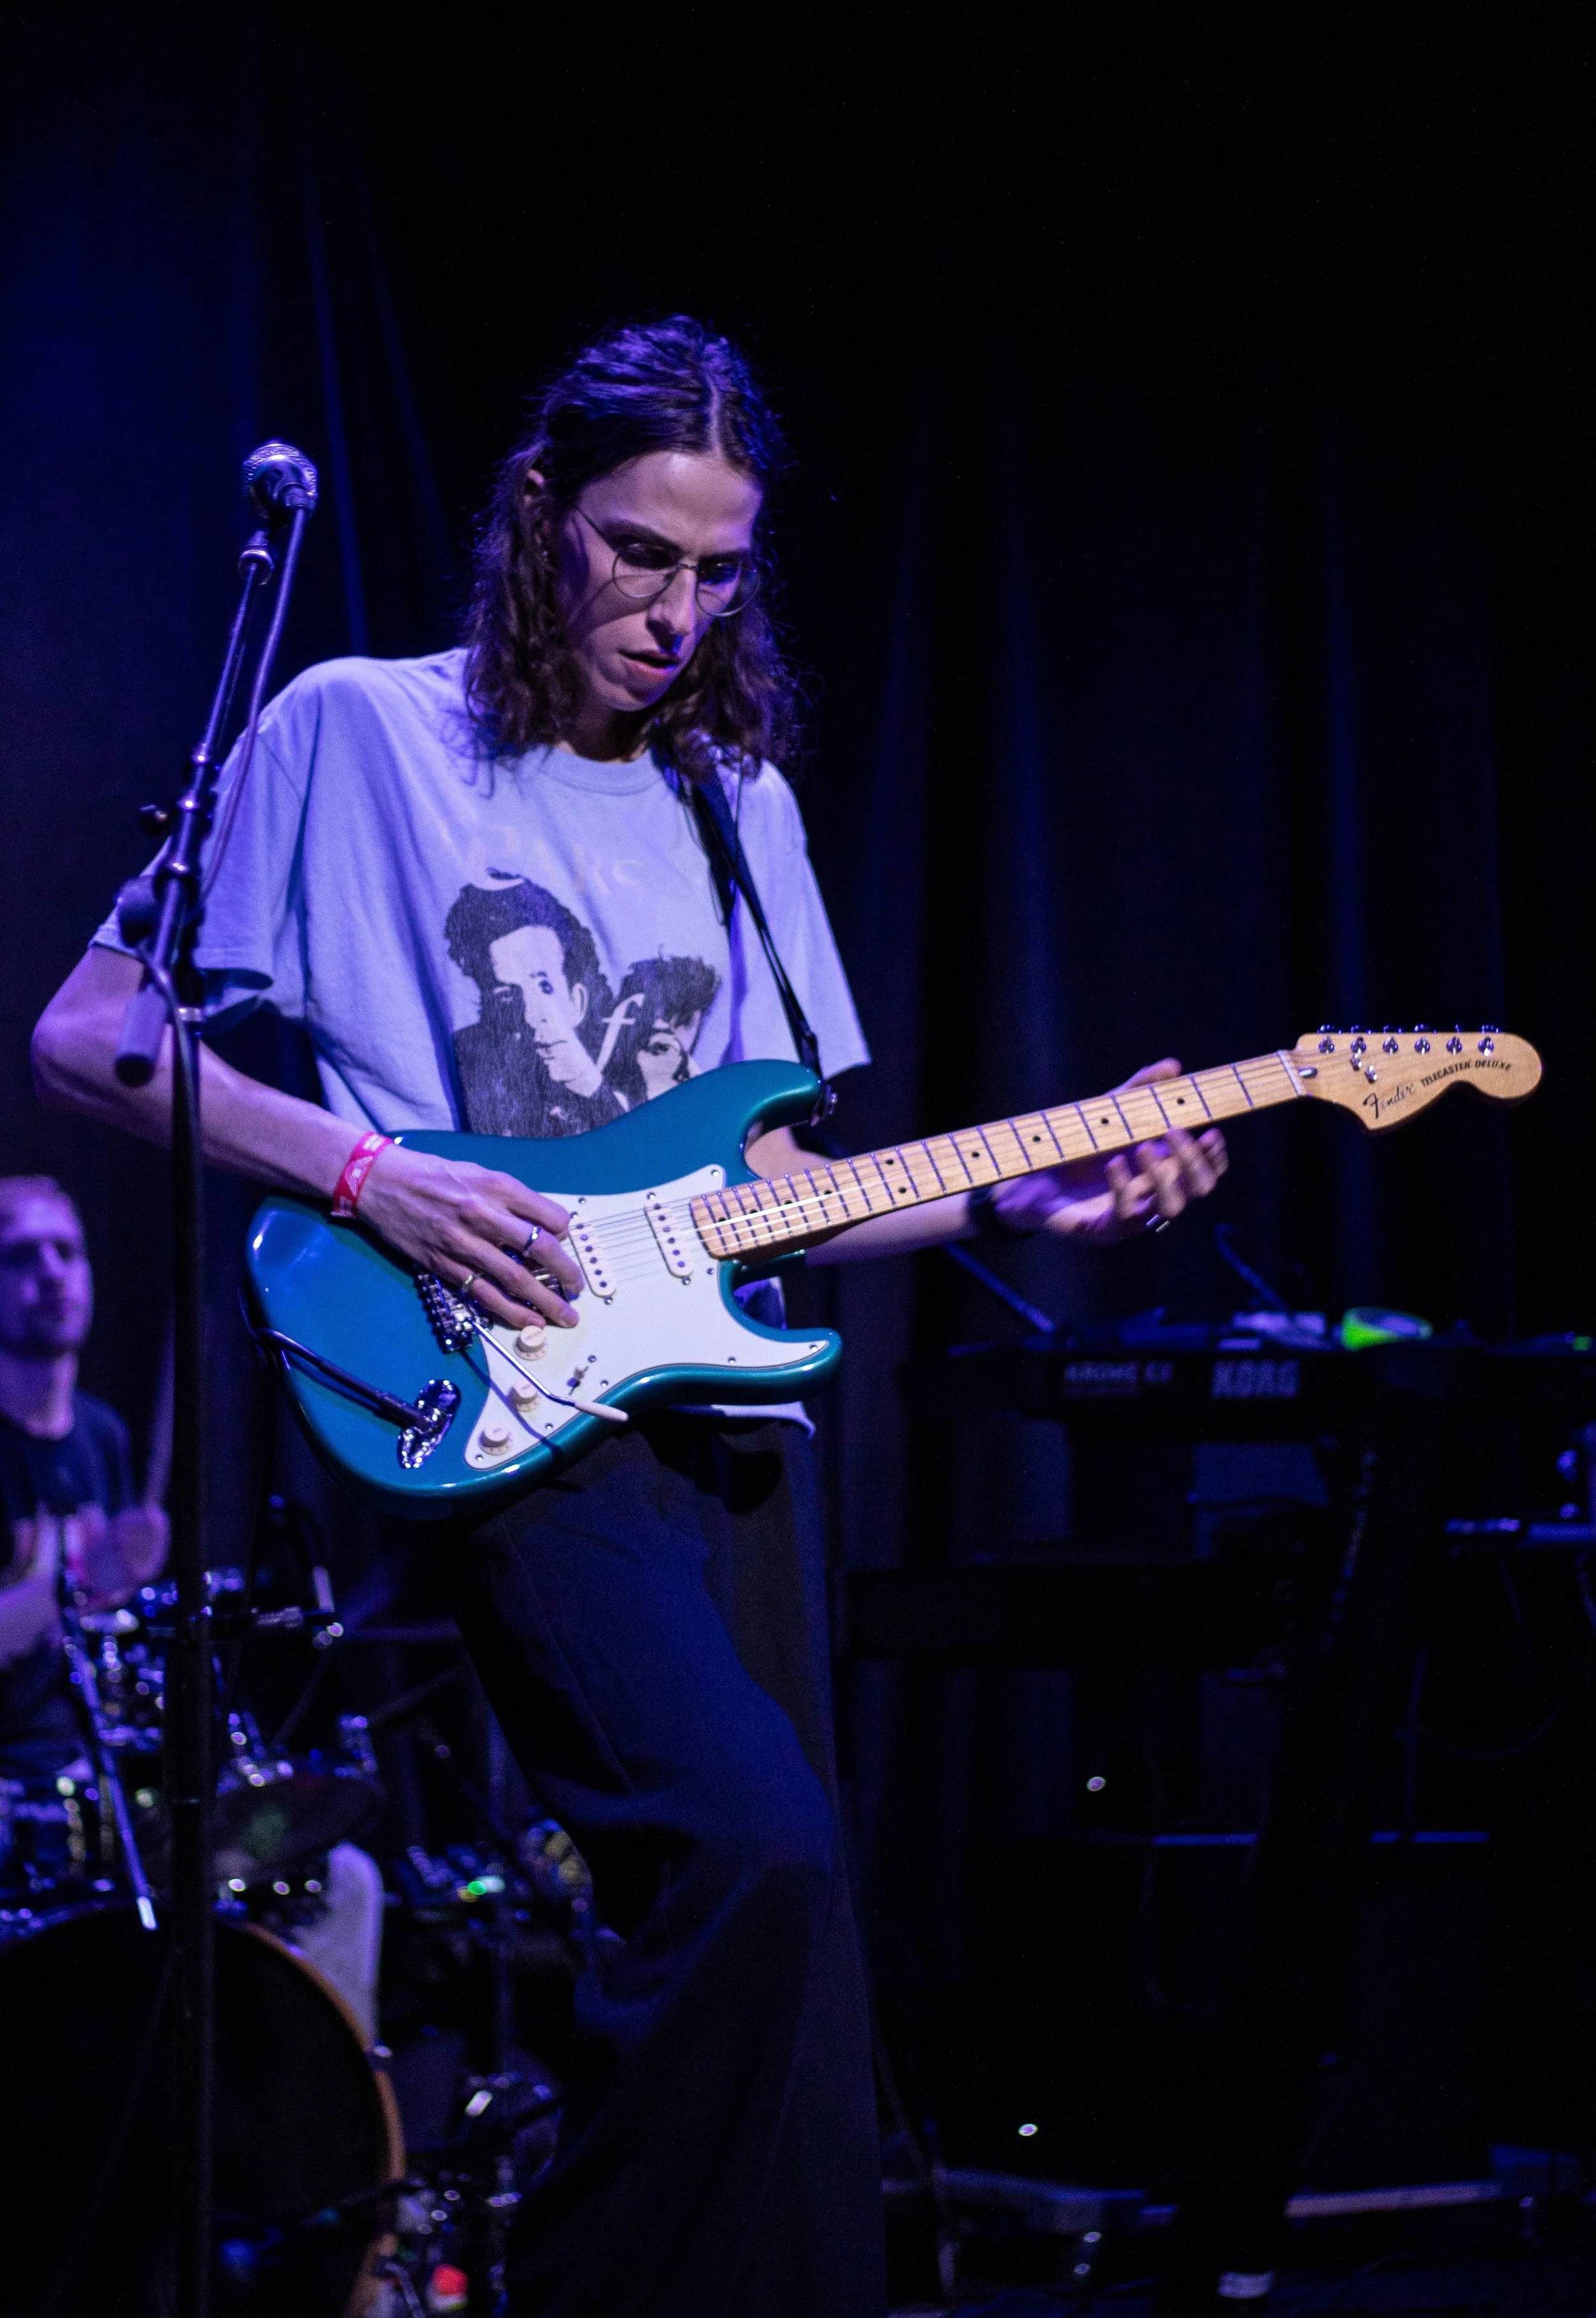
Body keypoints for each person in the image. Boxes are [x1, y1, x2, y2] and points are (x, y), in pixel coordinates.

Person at [33, 315, 1226, 2317]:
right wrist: (369, 1168)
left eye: (720, 568)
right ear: (536, 514)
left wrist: (1022, 1186)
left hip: (724, 1421)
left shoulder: (728, 801)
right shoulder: (357, 731)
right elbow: (89, 1033)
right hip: (492, 1393)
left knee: (799, 1972)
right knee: (743, 1847)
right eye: (633, 553)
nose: (675, 612)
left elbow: (757, 1192)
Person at [0, 1176, 168, 1784]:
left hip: (95, 1765)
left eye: (67, 1251)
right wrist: (85, 1575)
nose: (51, 1273)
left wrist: (127, 1578)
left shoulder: (102, 1432)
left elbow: (106, 1619)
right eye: (20, 1255)